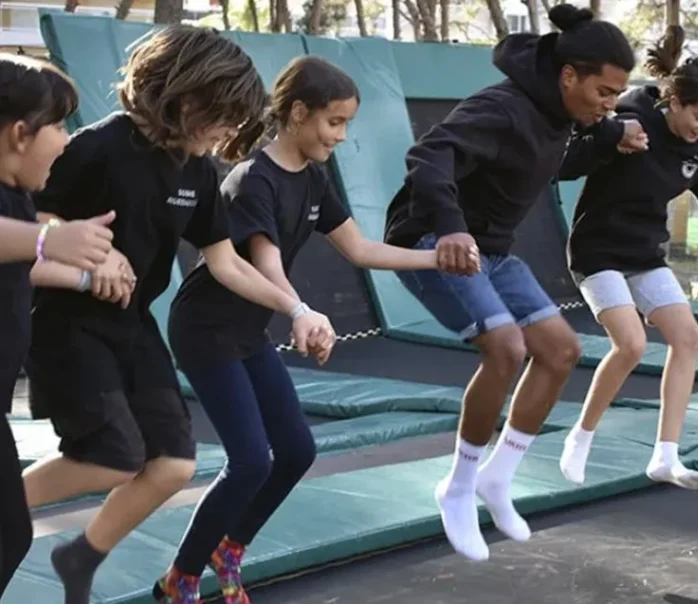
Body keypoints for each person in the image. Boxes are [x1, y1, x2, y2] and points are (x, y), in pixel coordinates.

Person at [21, 27, 335, 604]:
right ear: (187, 100)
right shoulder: (95, 150)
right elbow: (26, 244)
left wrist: (297, 308)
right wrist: (88, 261)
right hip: (69, 327)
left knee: (171, 465)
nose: (229, 134)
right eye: (223, 118)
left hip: (133, 326)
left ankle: (79, 554)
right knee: (112, 459)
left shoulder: (194, 172)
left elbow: (228, 264)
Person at [154, 56, 452, 604]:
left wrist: (438, 260)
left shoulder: (313, 179)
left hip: (246, 332)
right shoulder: (252, 179)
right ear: (296, 114)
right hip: (205, 329)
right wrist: (301, 311)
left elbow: (360, 249)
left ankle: (230, 549)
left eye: (345, 124)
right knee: (249, 463)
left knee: (296, 452)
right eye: (333, 122)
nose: (340, 136)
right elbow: (265, 264)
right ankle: (182, 578)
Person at [383, 4, 643, 562]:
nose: (610, 101)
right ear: (568, 75)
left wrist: (612, 132)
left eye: (618, 93)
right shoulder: (502, 107)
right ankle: (455, 488)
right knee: (505, 348)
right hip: (433, 243)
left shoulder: (561, 114)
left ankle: (498, 477)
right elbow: (428, 156)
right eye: (604, 90)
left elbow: (554, 163)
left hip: (493, 252)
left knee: (562, 349)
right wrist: (450, 228)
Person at [556, 26, 698, 488]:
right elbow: (567, 163)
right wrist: (612, 137)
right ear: (674, 102)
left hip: (644, 252)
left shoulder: (696, 152)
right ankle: (580, 436)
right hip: (597, 247)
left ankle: (665, 455)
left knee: (689, 336)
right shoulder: (632, 111)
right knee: (632, 344)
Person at [0, 53, 125, 599]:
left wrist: (81, 273)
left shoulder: (18, 197)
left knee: (10, 534)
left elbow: (17, 258)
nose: (66, 139)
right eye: (57, 124)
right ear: (21, 133)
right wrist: (52, 239)